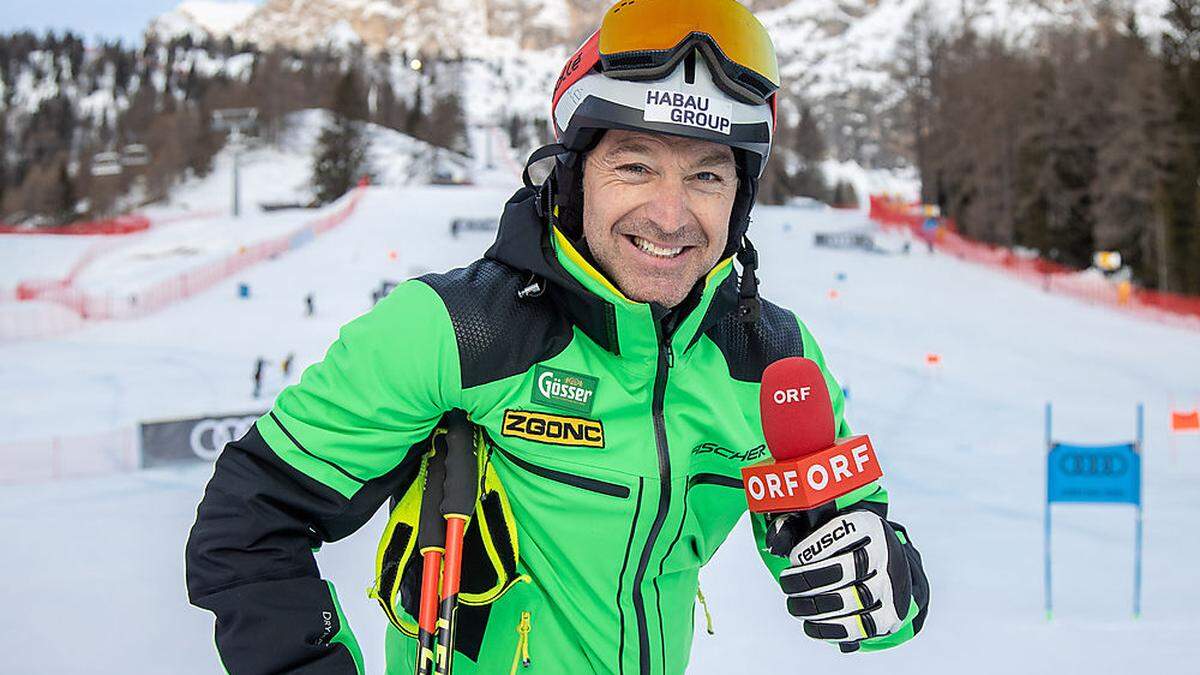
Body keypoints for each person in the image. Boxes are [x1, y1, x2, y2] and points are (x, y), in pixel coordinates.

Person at [186, 2, 929, 673]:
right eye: (635, 166)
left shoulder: (770, 362)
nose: (671, 216)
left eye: (706, 177)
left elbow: (864, 563)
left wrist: (887, 579)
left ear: (740, 201)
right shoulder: (458, 330)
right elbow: (249, 517)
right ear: (573, 180)